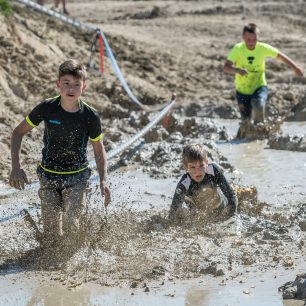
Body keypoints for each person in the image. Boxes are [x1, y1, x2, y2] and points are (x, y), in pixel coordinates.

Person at [9, 59, 111, 247]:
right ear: (58, 84)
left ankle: (73, 260)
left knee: (73, 226)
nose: (71, 89)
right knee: (52, 237)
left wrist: (103, 180)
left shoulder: (90, 116)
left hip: (77, 177)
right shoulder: (47, 108)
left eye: (76, 84)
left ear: (84, 87)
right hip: (48, 177)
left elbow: (99, 149)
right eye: (66, 83)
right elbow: (18, 132)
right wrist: (15, 167)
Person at [224, 23, 303, 125]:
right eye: (248, 40)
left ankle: (260, 131)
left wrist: (295, 68)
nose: (252, 43)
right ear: (243, 37)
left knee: (259, 105)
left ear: (258, 38)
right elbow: (226, 68)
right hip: (242, 90)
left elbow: (280, 56)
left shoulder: (262, 48)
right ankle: (246, 136)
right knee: (245, 121)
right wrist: (238, 70)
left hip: (259, 85)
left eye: (254, 40)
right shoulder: (238, 49)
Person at [169, 144, 237, 221]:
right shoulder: (184, 183)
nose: (198, 171)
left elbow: (231, 196)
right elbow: (173, 211)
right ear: (185, 167)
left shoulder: (213, 170)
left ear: (206, 163)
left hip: (221, 206)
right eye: (192, 167)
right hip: (199, 215)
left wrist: (231, 218)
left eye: (201, 165)